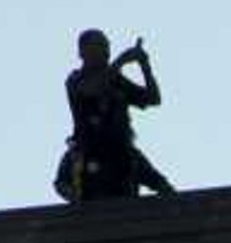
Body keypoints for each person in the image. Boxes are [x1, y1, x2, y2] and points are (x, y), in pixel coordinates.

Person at [58, 30, 171, 202]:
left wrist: (144, 65)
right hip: (90, 151)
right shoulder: (76, 79)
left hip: (122, 150)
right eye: (98, 46)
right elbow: (92, 90)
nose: (105, 52)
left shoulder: (116, 79)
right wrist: (121, 62)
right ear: (82, 52)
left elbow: (152, 98)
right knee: (71, 182)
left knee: (163, 187)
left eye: (106, 47)